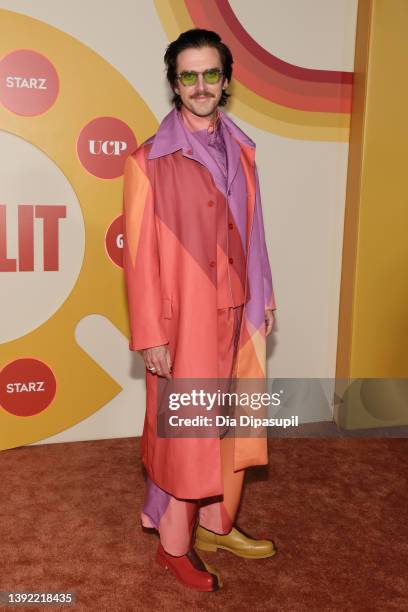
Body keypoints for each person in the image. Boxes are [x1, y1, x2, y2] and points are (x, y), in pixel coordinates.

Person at [123, 29, 277, 592]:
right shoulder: (147, 161)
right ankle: (174, 546)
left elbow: (254, 232)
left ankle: (216, 522)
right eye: (188, 75)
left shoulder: (242, 148)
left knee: (232, 424)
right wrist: (150, 334)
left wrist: (264, 296)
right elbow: (138, 260)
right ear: (174, 84)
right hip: (182, 321)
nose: (201, 85)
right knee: (185, 435)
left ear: (227, 81)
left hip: (239, 313)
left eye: (211, 73)